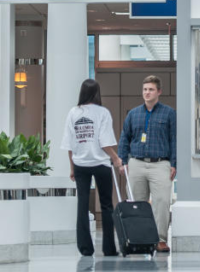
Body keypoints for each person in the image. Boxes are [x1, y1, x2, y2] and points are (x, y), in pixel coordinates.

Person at [62, 79, 122, 257]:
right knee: (106, 205)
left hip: (80, 165)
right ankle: (109, 248)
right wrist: (116, 159)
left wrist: (72, 168)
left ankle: (85, 249)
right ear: (97, 93)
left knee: (82, 204)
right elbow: (104, 142)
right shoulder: (103, 113)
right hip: (101, 165)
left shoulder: (73, 113)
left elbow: (69, 144)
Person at [118, 75, 176, 253]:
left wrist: (174, 164)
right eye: (145, 89)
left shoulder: (169, 113)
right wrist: (122, 161)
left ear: (159, 91)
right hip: (136, 163)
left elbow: (174, 140)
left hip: (160, 164)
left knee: (162, 202)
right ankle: (138, 239)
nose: (147, 93)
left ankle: (160, 240)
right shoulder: (133, 114)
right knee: (136, 203)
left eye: (151, 89)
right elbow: (124, 138)